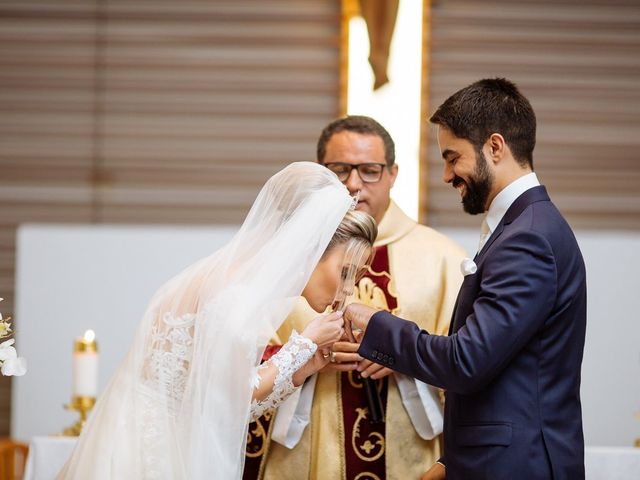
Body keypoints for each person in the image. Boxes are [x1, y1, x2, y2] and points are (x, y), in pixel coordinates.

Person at [58, 162, 377, 479]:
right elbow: (242, 391)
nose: (346, 289)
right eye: (344, 272)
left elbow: (229, 407)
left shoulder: (249, 287)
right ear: (313, 248)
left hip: (180, 435)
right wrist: (304, 343)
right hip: (152, 446)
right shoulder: (235, 294)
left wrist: (307, 364)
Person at [344, 79, 587, 480]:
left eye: (452, 157)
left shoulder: (527, 236)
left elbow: (467, 360)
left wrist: (375, 324)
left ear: (495, 147)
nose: (446, 175)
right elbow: (507, 371)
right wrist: (452, 461)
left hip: (517, 466)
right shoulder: (521, 226)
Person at [244, 116, 466, 479]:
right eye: (340, 169)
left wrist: (405, 358)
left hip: (407, 453)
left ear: (393, 173)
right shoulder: (287, 260)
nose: (353, 183)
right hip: (306, 454)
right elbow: (242, 359)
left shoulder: (442, 259)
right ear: (320, 171)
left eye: (369, 170)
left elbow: (466, 361)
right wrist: (308, 356)